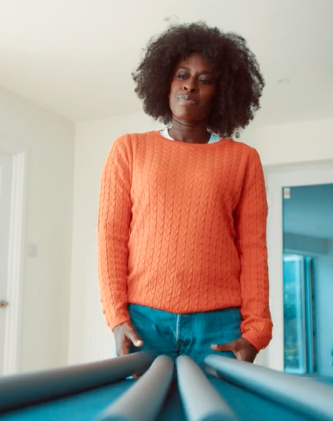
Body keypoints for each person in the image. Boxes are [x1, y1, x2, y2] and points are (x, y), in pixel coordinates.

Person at [97, 22, 271, 365]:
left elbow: (253, 249)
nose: (190, 85)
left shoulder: (243, 159)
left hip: (219, 327)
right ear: (165, 82)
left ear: (221, 93)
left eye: (205, 79)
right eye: (182, 75)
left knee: (215, 404)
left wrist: (256, 332)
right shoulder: (129, 149)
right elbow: (111, 238)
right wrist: (117, 318)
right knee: (143, 403)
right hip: (143, 323)